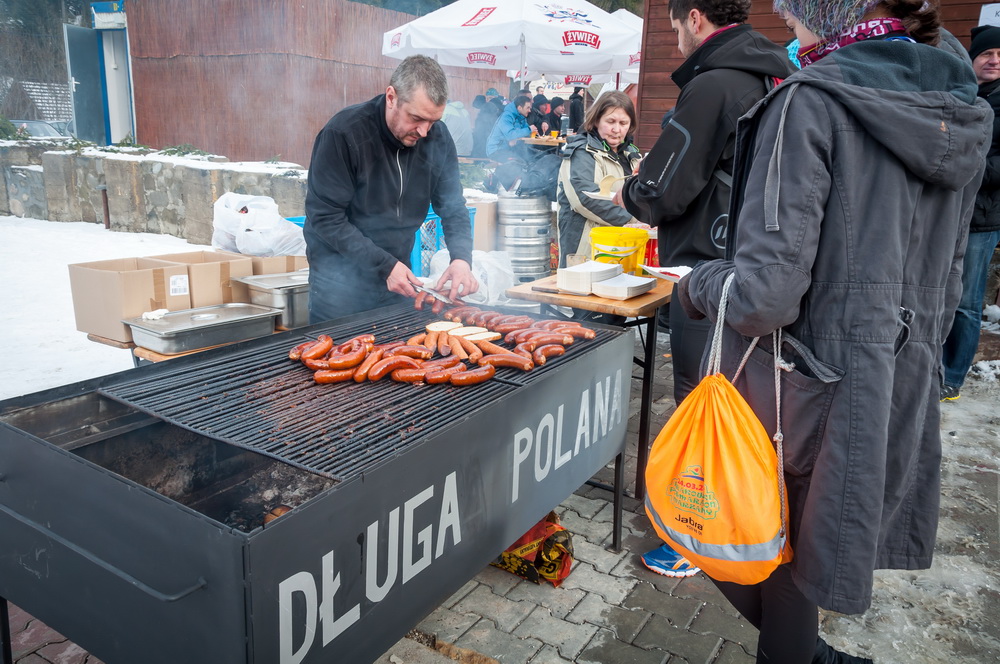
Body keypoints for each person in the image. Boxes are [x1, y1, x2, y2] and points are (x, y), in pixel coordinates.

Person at [674, 0, 990, 661]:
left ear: (829, 13)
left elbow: (763, 296)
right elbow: (949, 269)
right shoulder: (954, 103)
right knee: (801, 547)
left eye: (792, 18)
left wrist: (695, 284)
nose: (788, 32)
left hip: (802, 376)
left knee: (728, 532)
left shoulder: (810, 101)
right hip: (892, 373)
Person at [617, 0, 795, 405]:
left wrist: (627, 191)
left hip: (707, 270)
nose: (679, 38)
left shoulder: (714, 84)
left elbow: (661, 193)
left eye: (677, 27)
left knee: (700, 401)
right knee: (744, 402)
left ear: (694, 18)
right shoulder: (776, 73)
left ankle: (700, 472)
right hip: (764, 265)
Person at [303, 55, 478, 322]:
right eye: (416, 118)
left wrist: (462, 259)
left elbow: (453, 206)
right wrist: (384, 266)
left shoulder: (438, 137)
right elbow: (326, 219)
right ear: (391, 97)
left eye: (432, 121)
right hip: (339, 286)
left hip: (399, 281)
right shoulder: (344, 134)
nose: (424, 132)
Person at [941, 25, 1000, 402]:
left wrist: (966, 164)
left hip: (981, 217)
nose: (994, 61)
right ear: (972, 59)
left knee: (965, 301)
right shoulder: (957, 95)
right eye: (987, 54)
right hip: (946, 209)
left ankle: (953, 376)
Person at [556, 91, 641, 266]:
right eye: (610, 121)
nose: (616, 129)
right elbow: (586, 198)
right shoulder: (581, 153)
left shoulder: (632, 154)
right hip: (586, 252)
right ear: (596, 120)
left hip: (623, 249)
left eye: (623, 123)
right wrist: (634, 219)